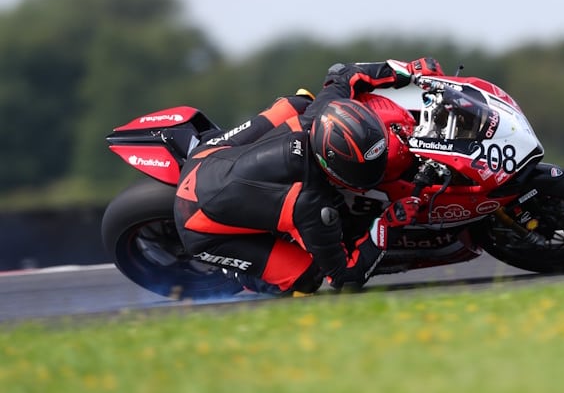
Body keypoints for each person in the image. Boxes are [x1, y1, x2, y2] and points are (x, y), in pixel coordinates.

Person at [173, 57, 444, 295]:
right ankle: (239, 276)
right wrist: (388, 225)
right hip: (197, 221)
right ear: (333, 168)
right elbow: (345, 278)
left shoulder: (320, 114)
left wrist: (408, 71)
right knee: (308, 277)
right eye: (361, 173)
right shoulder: (311, 204)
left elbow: (344, 73)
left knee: (299, 103)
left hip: (206, 158)